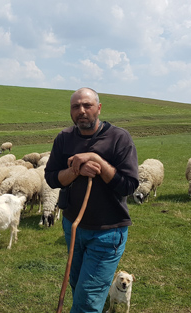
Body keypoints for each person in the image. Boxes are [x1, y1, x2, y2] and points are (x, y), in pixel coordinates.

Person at [44, 87, 139, 313]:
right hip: (73, 226)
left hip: (108, 231)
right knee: (78, 285)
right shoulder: (64, 138)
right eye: (76, 106)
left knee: (86, 301)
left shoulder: (119, 138)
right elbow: (51, 178)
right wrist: (76, 171)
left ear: (98, 108)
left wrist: (98, 160)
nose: (81, 111)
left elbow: (128, 185)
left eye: (87, 105)